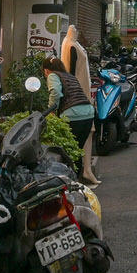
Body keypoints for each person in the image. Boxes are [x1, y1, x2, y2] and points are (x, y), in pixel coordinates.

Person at [43, 59, 97, 185]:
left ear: (46, 70)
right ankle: (76, 182)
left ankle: (69, 182)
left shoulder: (52, 75)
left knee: (67, 152)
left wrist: (51, 110)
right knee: (76, 150)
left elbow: (55, 92)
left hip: (72, 115)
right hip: (88, 114)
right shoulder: (70, 76)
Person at [60, 25, 99, 184]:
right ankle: (82, 170)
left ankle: (87, 169)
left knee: (89, 131)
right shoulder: (70, 46)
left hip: (83, 94)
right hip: (78, 95)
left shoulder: (74, 44)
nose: (76, 31)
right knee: (82, 131)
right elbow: (70, 72)